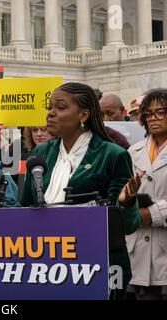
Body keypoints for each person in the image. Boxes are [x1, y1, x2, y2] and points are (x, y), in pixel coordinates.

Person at [20, 82, 141, 299]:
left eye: (61, 107)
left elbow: (128, 225)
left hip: (96, 266)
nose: (50, 113)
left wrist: (126, 202)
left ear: (83, 114)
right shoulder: (40, 154)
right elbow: (23, 209)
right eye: (50, 107)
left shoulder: (112, 155)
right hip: (44, 264)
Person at [125, 89, 167, 300]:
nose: (153, 118)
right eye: (148, 114)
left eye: (160, 112)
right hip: (138, 251)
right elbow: (121, 194)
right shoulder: (134, 151)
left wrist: (151, 214)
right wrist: (126, 201)